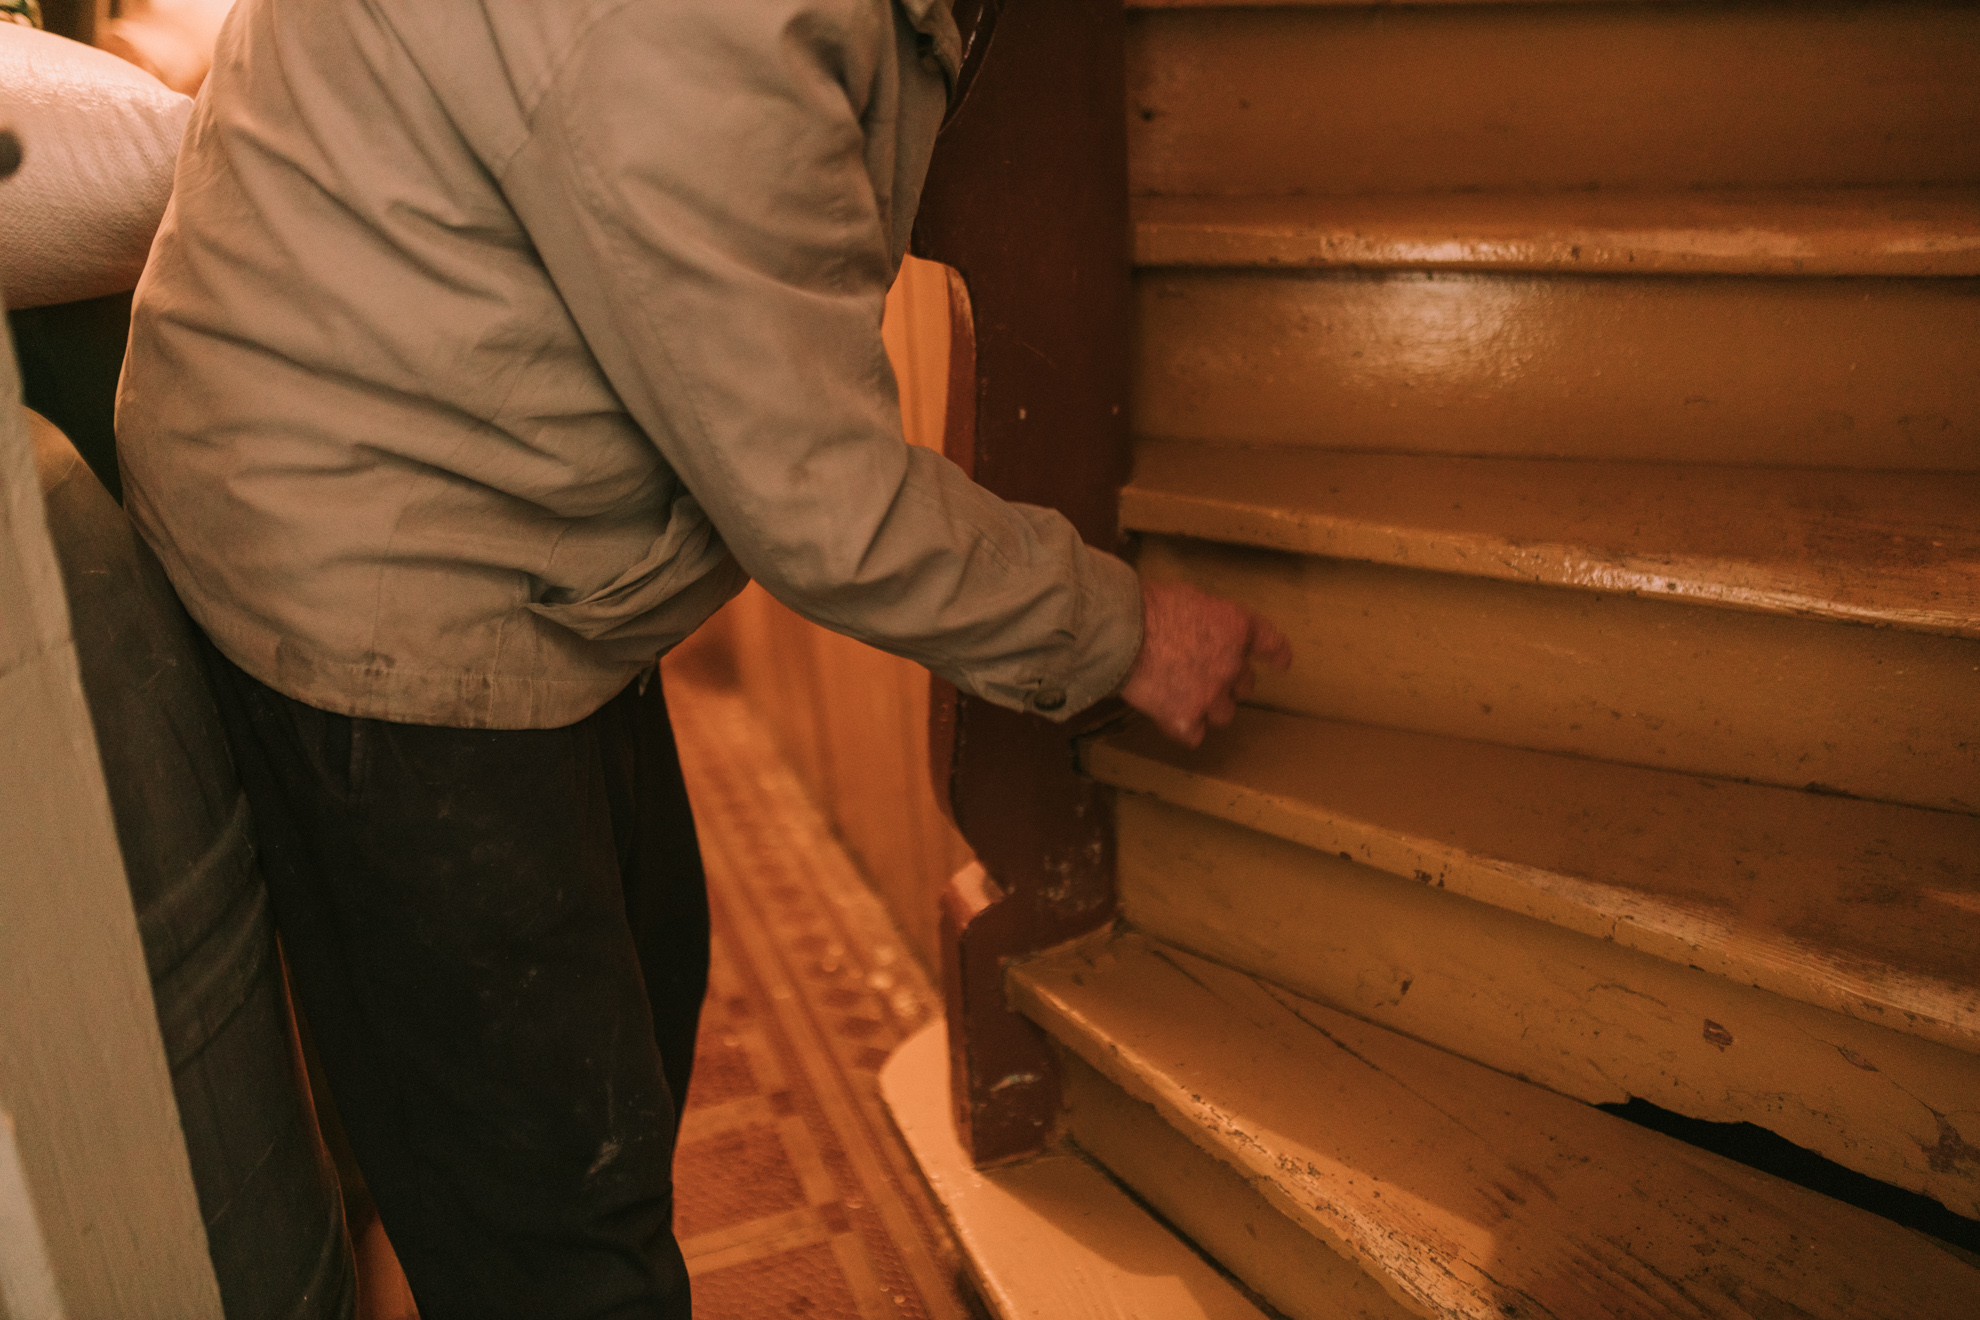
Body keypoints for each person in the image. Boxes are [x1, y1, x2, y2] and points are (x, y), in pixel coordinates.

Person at [116, 1, 1290, 1315]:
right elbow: (821, 498)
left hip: (501, 519)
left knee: (630, 1022)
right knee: (551, 1207)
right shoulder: (683, 20)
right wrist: (1126, 632)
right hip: (365, 561)